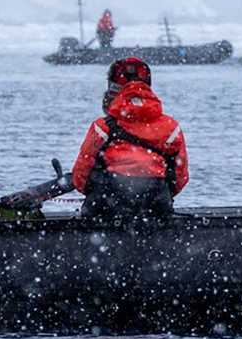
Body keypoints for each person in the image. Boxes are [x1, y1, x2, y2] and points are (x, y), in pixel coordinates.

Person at [72, 56, 188, 220]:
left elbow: (81, 176)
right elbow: (180, 177)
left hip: (105, 206)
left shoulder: (102, 128)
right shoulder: (171, 128)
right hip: (156, 206)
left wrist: (97, 195)